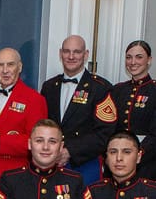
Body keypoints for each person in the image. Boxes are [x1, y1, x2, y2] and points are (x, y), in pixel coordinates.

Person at [40, 35, 116, 186]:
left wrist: (69, 151)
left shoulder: (100, 88)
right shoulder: (49, 86)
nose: (71, 56)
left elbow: (105, 133)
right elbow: (42, 126)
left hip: (84, 164)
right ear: (60, 54)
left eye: (77, 52)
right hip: (51, 163)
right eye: (66, 51)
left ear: (86, 55)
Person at [0, 47, 47, 193]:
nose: (5, 70)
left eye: (10, 65)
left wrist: (3, 141)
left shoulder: (34, 99)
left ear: (20, 67)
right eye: (0, 65)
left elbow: (38, 142)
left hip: (10, 177)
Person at [109, 40, 156, 182]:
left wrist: (137, 155)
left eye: (139, 57)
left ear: (149, 60)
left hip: (146, 163)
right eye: (128, 57)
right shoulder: (118, 90)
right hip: (117, 163)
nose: (133, 62)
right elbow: (109, 127)